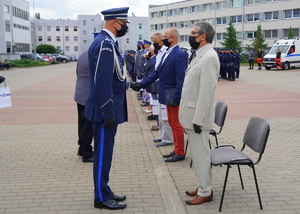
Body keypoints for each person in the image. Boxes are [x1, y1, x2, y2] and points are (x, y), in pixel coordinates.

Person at [84, 7, 130, 210]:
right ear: (115, 23)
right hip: (105, 112)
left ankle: (105, 190)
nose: (125, 28)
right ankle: (101, 197)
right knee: (103, 154)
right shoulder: (104, 44)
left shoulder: (108, 42)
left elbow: (115, 77)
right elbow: (102, 82)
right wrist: (107, 111)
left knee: (106, 153)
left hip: (107, 109)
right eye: (124, 24)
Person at [131, 28, 188, 162]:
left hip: (173, 94)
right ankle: (176, 149)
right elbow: (157, 72)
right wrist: (142, 84)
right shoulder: (168, 52)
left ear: (173, 38)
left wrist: (177, 97)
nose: (163, 41)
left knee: (176, 124)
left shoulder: (179, 54)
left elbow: (181, 79)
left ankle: (180, 152)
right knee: (171, 123)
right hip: (166, 94)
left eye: (165, 38)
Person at [179, 21, 219, 205]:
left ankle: (205, 192)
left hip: (198, 118)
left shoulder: (210, 56)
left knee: (201, 154)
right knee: (197, 154)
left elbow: (207, 92)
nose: (191, 36)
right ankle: (202, 184)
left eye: (193, 33)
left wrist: (199, 118)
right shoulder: (199, 55)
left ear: (203, 36)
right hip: (191, 115)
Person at [74, 50, 94, 162]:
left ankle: (82, 148)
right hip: (88, 94)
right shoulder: (93, 55)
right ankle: (87, 152)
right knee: (87, 125)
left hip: (81, 92)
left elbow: (78, 72)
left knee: (82, 123)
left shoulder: (83, 54)